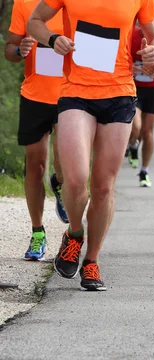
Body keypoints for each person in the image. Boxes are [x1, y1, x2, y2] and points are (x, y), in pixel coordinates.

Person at [28, 0, 154, 291]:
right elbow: (34, 22)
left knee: (103, 187)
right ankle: (75, 234)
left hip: (120, 94)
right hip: (76, 92)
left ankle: (91, 260)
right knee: (76, 180)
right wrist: (53, 39)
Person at [5, 0, 69, 261]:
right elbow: (9, 49)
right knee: (35, 164)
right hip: (34, 96)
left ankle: (61, 184)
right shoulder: (24, 3)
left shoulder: (75, 4)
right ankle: (37, 232)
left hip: (70, 94)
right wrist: (19, 50)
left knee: (65, 162)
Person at [128, 25, 154, 187]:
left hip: (153, 90)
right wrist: (130, 67)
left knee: (148, 133)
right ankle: (133, 145)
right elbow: (122, 55)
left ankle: (144, 171)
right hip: (134, 88)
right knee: (136, 127)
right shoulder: (132, 34)